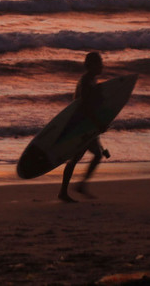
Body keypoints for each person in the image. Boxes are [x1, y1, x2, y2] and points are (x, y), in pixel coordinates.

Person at [58, 51, 109, 203]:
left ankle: (80, 185)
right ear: (91, 65)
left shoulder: (92, 80)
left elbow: (94, 105)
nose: (102, 65)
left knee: (97, 155)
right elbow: (85, 107)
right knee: (75, 159)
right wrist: (97, 123)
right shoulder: (86, 81)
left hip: (88, 125)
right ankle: (64, 192)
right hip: (81, 125)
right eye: (99, 62)